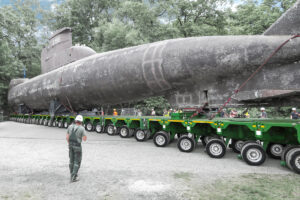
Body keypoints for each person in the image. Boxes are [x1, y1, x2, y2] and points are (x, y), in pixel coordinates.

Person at [66, 115, 87, 182]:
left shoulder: (70, 126)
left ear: (75, 120)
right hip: (77, 146)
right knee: (77, 161)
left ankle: (71, 174)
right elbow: (84, 139)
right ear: (81, 121)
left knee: (71, 160)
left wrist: (70, 143)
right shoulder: (82, 128)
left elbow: (67, 137)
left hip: (70, 145)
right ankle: (74, 177)